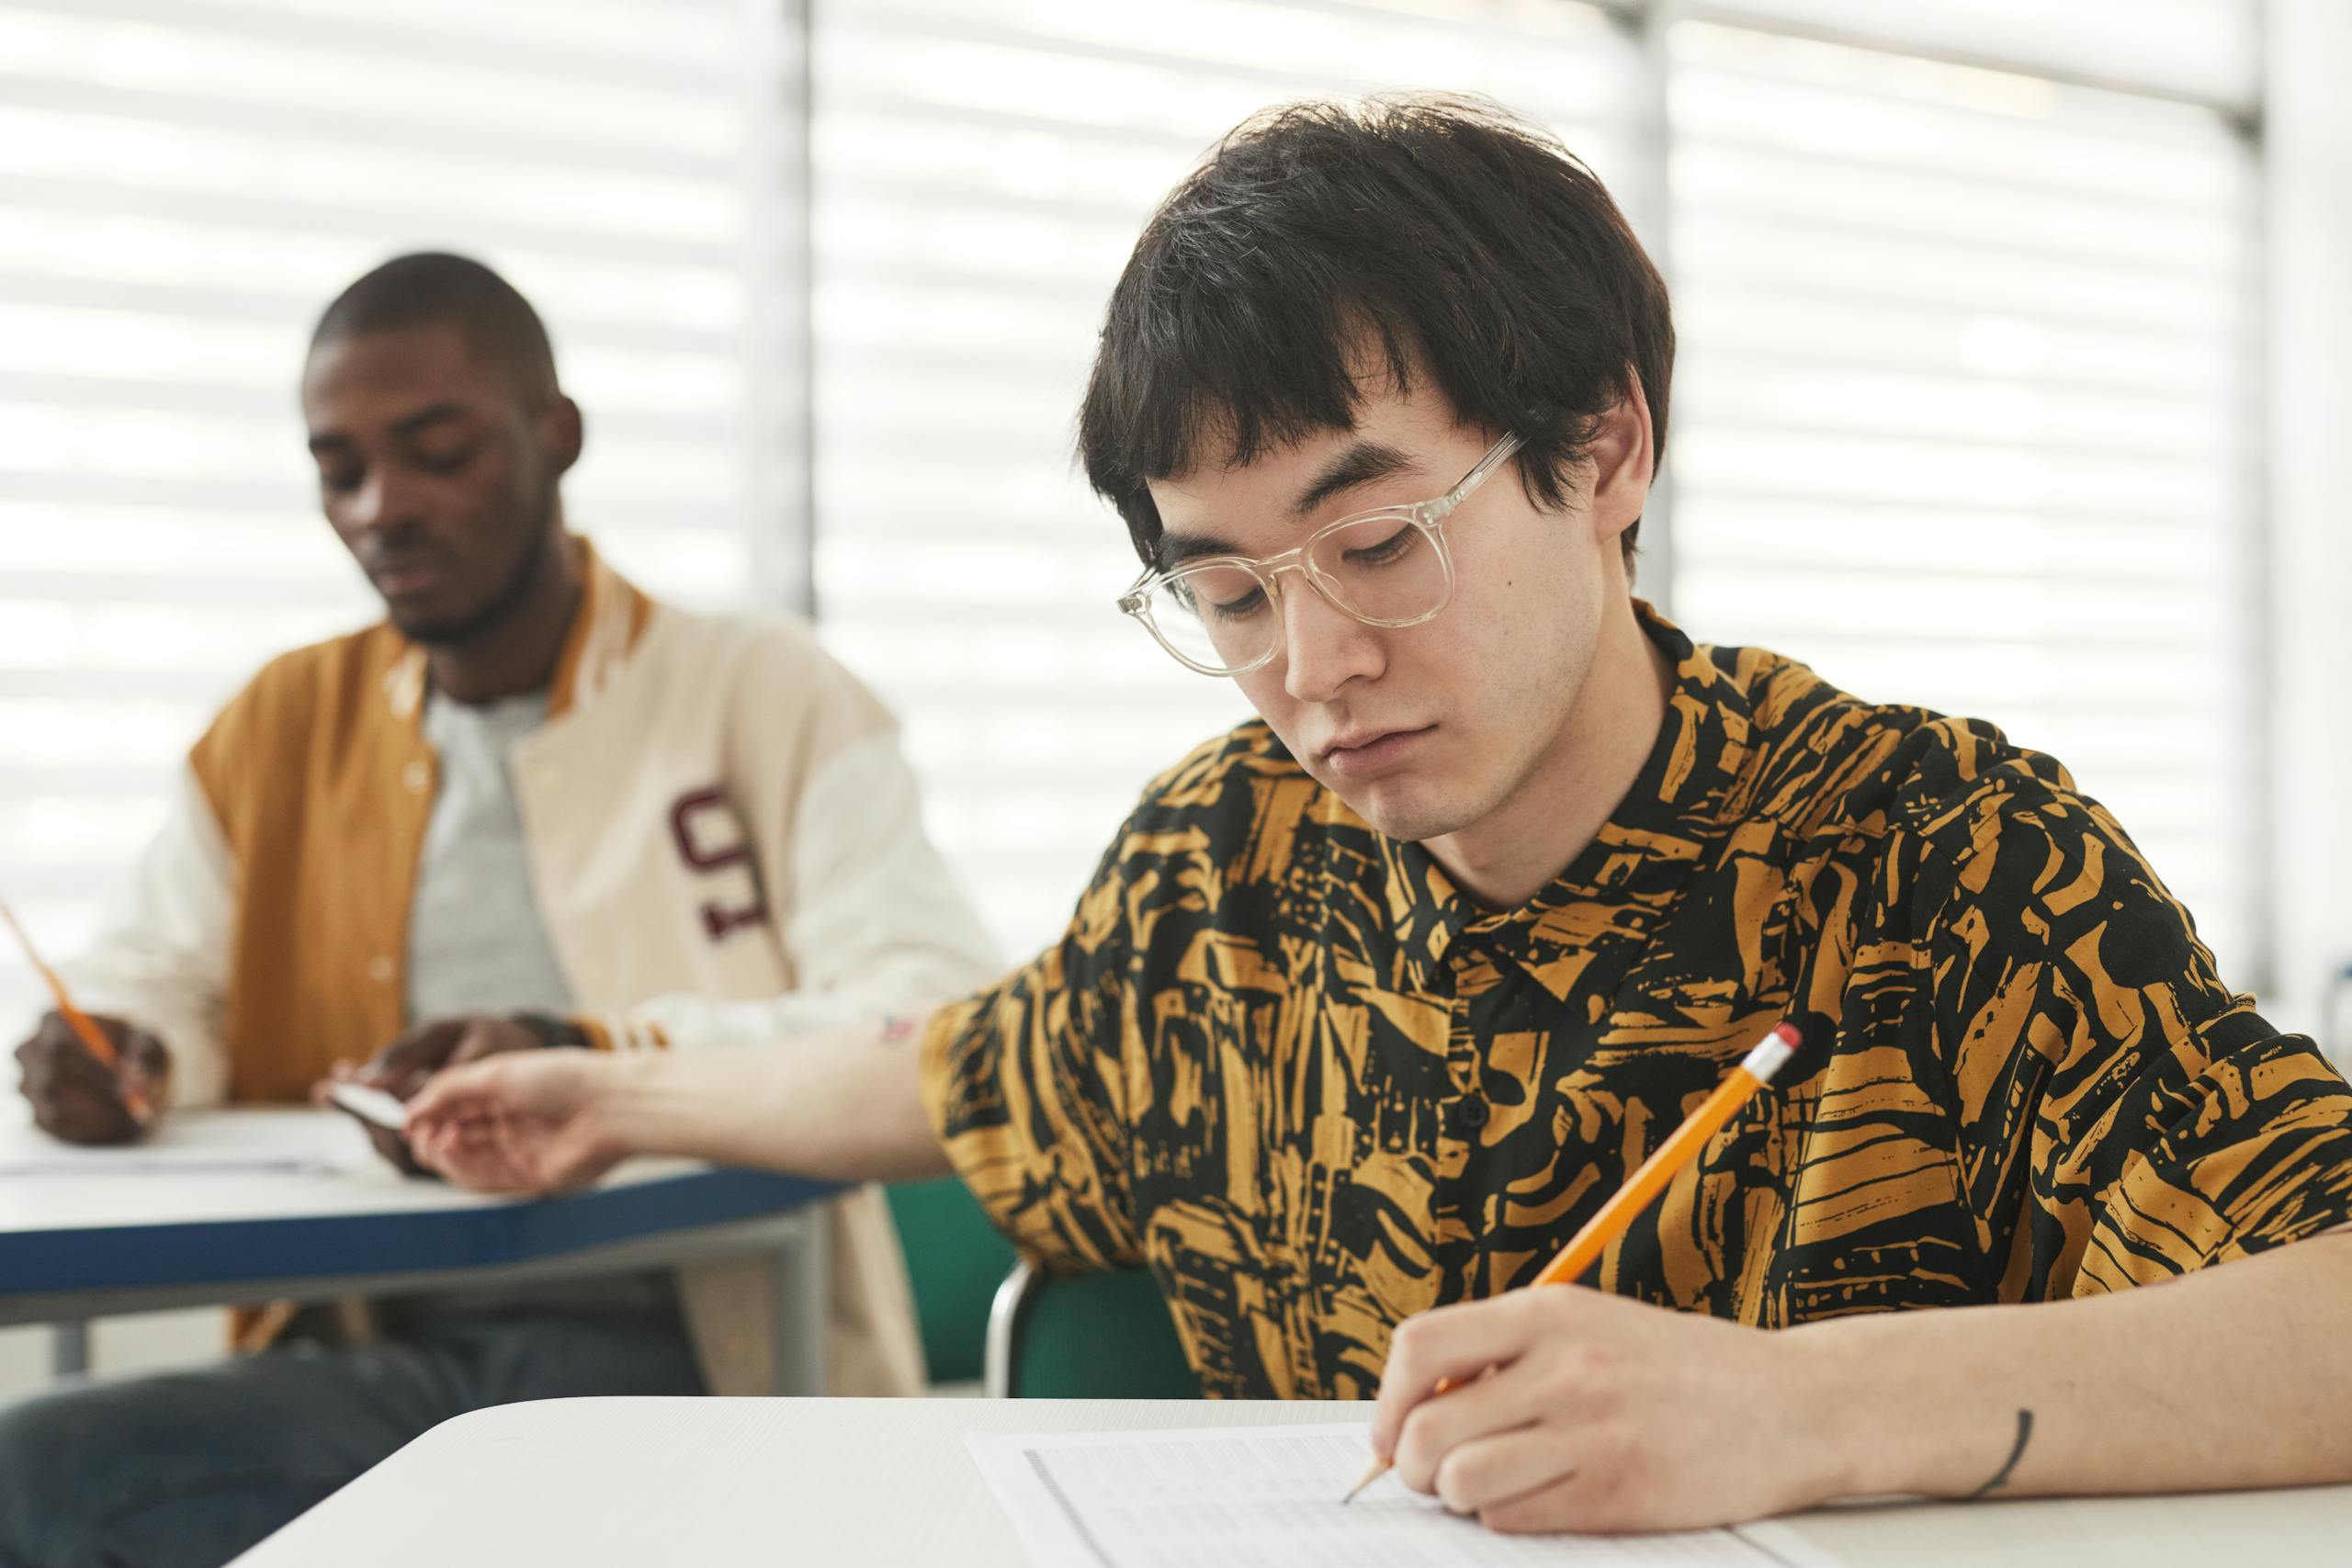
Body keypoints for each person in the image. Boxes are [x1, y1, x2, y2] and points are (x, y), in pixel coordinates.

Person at [403, 98, 2352, 1535]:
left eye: (1372, 540)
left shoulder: (1927, 853)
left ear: (1601, 450)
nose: (1311, 665)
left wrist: (1793, 1410)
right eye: (1228, 592)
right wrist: (612, 1094)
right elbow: (972, 1067)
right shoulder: (1226, 868)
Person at [0, 253, 997, 1568]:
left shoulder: (763, 694)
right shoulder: (279, 726)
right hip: (374, 1342)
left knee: (44, 1484)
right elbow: (163, 971)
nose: (382, 508)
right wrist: (123, 1044)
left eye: (436, 451)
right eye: (339, 469)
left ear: (555, 436)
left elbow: (936, 1015)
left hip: (693, 1349)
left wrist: (581, 1045)